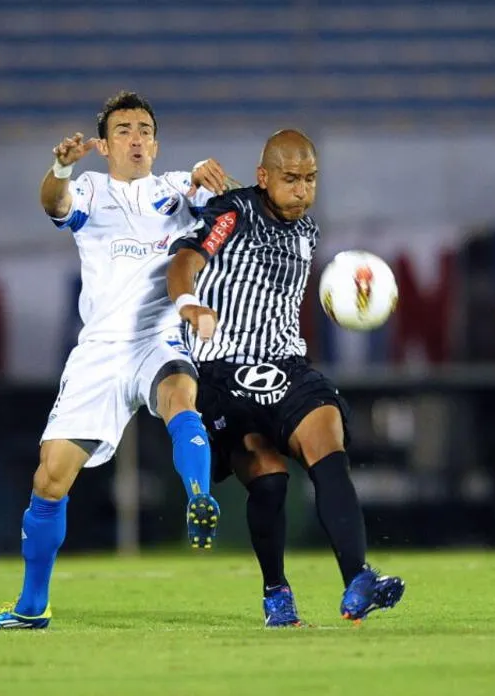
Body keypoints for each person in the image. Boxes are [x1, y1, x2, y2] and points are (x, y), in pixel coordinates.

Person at [0, 91, 229, 631]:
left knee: (181, 394)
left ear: (156, 143)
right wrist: (60, 165)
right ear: (104, 145)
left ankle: (200, 498)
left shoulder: (178, 188)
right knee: (50, 480)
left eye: (145, 129)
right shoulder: (88, 188)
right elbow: (52, 202)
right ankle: (32, 607)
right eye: (125, 129)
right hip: (101, 351)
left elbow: (219, 214)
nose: (137, 138)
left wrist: (206, 181)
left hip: (158, 335)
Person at [167, 129, 405, 627]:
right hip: (220, 370)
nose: (301, 189)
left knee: (328, 447)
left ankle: (358, 578)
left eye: (310, 179)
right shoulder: (230, 213)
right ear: (264, 177)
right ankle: (276, 592)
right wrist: (190, 304)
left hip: (287, 364)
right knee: (270, 481)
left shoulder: (308, 231)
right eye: (290, 178)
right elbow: (187, 259)